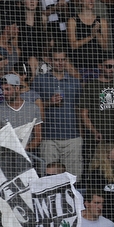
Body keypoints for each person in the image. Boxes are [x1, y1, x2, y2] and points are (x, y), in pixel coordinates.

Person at [34, 48, 83, 177]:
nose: (60, 63)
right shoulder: (39, 80)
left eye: (63, 60)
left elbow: (79, 110)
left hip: (72, 136)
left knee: (73, 179)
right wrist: (49, 102)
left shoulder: (75, 82)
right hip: (48, 137)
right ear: (50, 61)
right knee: (49, 180)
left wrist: (80, 134)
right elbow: (31, 108)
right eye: (56, 60)